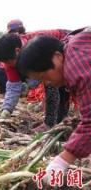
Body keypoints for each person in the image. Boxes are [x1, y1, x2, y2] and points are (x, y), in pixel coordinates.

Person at [16, 27, 91, 182]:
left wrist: (61, 161)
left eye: (44, 76)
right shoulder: (72, 48)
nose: (47, 83)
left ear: (57, 57)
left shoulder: (76, 64)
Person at [0, 29, 71, 131]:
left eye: (7, 61)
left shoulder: (35, 50)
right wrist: (7, 109)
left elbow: (49, 84)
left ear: (17, 51)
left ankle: (55, 123)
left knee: (57, 85)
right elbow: (13, 87)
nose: (6, 65)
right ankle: (58, 123)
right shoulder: (10, 62)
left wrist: (49, 122)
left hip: (66, 51)